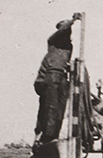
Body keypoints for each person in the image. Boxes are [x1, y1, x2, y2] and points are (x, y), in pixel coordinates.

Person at [34, 13, 82, 144]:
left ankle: (53, 134)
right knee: (51, 107)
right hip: (51, 75)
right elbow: (63, 30)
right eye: (65, 29)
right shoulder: (53, 41)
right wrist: (73, 20)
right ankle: (47, 136)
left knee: (61, 107)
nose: (68, 32)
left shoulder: (68, 46)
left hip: (62, 77)